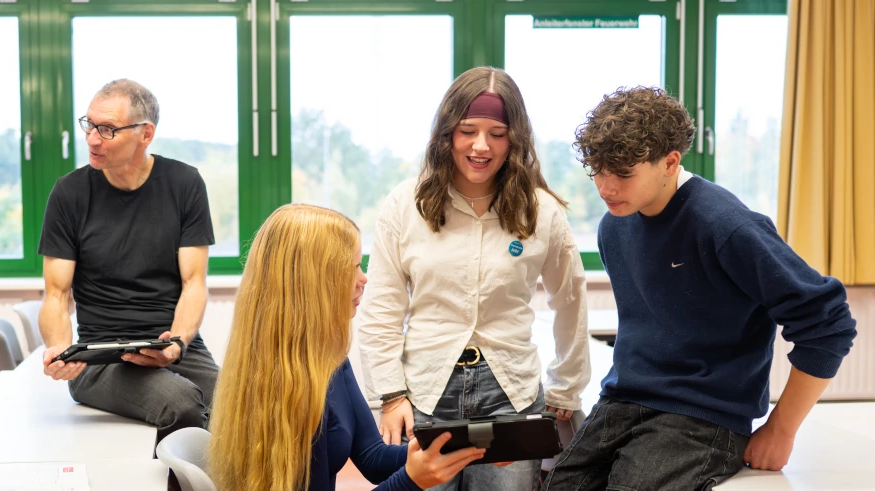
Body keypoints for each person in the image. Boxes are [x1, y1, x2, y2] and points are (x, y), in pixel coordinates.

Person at [543, 87, 858, 491]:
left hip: (705, 414)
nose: (605, 188)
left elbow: (828, 324)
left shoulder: (726, 226)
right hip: (624, 399)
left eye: (622, 174)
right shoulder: (614, 225)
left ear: (670, 162)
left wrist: (781, 429)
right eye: (598, 171)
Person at [358, 66, 591, 490]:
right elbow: (382, 308)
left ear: (514, 139)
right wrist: (390, 395)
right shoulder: (405, 205)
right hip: (426, 393)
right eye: (468, 130)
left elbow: (570, 301)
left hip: (512, 397)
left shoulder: (540, 212)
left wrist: (566, 389)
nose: (481, 145)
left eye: (497, 133)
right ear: (447, 133)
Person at [209, 204, 489, 491]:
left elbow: (373, 457)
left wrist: (463, 447)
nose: (363, 278)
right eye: (352, 268)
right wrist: (410, 481)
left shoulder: (327, 359)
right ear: (314, 281)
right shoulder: (283, 388)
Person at [37, 79, 217, 445]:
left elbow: (194, 284)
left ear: (145, 133)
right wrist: (61, 349)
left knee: (244, 404)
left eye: (107, 129)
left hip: (172, 345)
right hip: (100, 357)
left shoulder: (185, 183)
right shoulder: (69, 193)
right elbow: (56, 294)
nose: (92, 139)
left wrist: (177, 344)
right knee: (181, 402)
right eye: (88, 124)